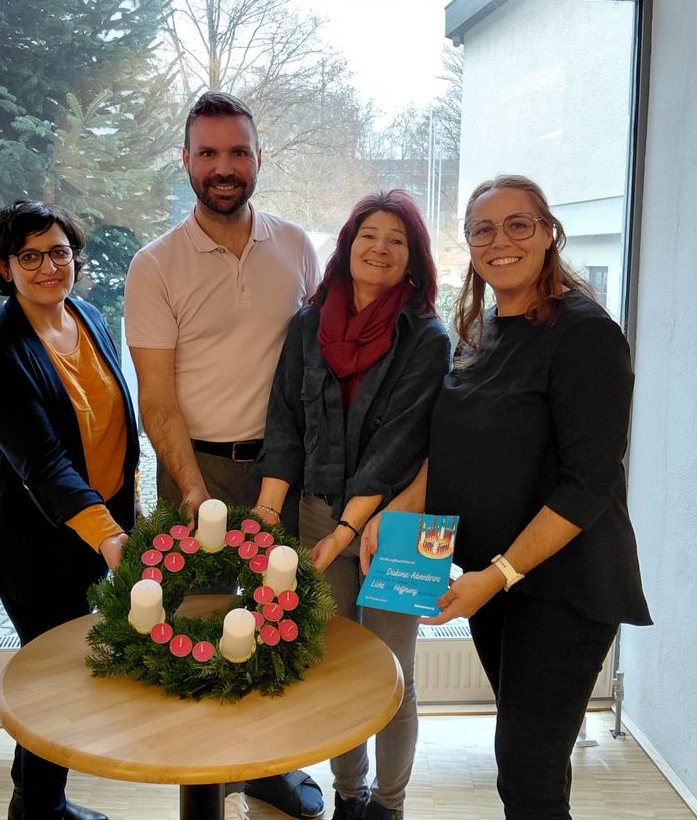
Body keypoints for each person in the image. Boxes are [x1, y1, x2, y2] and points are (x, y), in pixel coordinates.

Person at [361, 176, 652, 820]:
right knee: (522, 761)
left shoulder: (585, 335)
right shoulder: (483, 329)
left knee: (529, 774)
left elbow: (590, 482)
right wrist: (400, 506)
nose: (502, 240)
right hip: (497, 582)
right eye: (483, 229)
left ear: (549, 233)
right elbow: (453, 446)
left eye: (519, 224)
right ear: (468, 243)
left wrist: (498, 576)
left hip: (562, 587)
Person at [124, 91, 325, 819]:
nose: (223, 167)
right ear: (185, 162)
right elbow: (158, 400)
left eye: (237, 152)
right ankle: (202, 797)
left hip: (281, 470)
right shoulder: (156, 266)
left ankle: (268, 770)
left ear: (258, 160)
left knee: (276, 627)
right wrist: (191, 487)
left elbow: (316, 370)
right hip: (194, 469)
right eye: (207, 153)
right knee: (199, 637)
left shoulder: (298, 247)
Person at [255, 189, 450, 820]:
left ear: (413, 259)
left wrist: (346, 531)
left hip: (402, 520)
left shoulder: (428, 337)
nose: (381, 248)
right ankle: (349, 795)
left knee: (395, 670)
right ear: (347, 244)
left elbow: (400, 442)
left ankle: (388, 807)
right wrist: (266, 513)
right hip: (316, 510)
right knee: (336, 663)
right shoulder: (307, 324)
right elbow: (284, 421)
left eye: (397, 239)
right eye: (370, 234)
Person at [0, 201, 139, 820]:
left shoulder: (88, 316)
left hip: (98, 533)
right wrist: (110, 537)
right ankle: (39, 809)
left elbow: (113, 429)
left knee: (56, 682)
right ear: (4, 267)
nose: (49, 267)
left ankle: (38, 804)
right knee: (60, 682)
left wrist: (128, 521)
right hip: (35, 544)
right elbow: (42, 463)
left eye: (60, 252)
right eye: (31, 256)